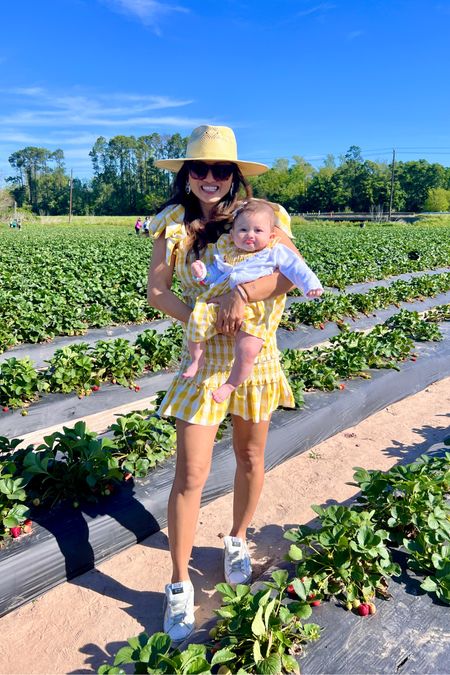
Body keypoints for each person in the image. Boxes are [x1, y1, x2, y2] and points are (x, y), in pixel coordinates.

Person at [148, 125, 305, 643]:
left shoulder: (266, 216)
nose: (210, 178)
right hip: (204, 356)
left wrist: (239, 295)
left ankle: (236, 537)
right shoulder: (172, 222)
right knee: (190, 473)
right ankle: (177, 583)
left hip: (254, 355)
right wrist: (205, 311)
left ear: (234, 175)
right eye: (200, 169)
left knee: (250, 458)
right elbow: (157, 291)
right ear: (187, 175)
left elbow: (287, 275)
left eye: (220, 170)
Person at [183, 199, 323, 402]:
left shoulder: (274, 252)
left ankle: (231, 384)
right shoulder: (228, 252)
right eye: (243, 230)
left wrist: (311, 285)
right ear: (232, 235)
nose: (250, 235)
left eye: (258, 231)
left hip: (257, 310)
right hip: (218, 301)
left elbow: (297, 268)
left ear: (271, 235)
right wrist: (202, 272)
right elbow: (215, 274)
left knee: (247, 350)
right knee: (197, 320)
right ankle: (197, 359)